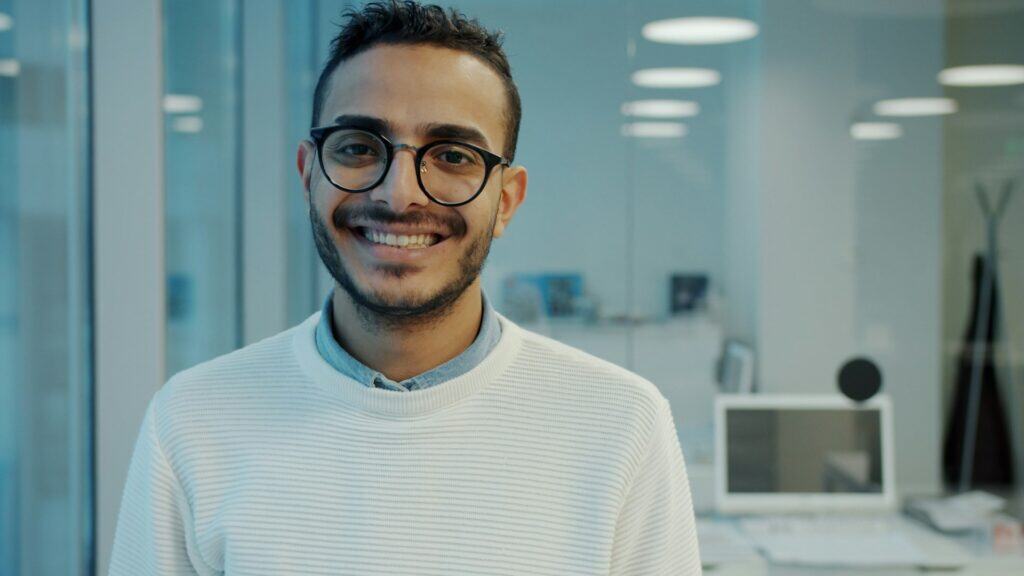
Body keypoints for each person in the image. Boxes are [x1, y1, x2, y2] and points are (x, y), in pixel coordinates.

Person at [108, 1, 701, 574]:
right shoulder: (191, 421)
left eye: (452, 155)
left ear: (507, 200)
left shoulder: (622, 423)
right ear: (309, 173)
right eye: (360, 148)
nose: (400, 195)